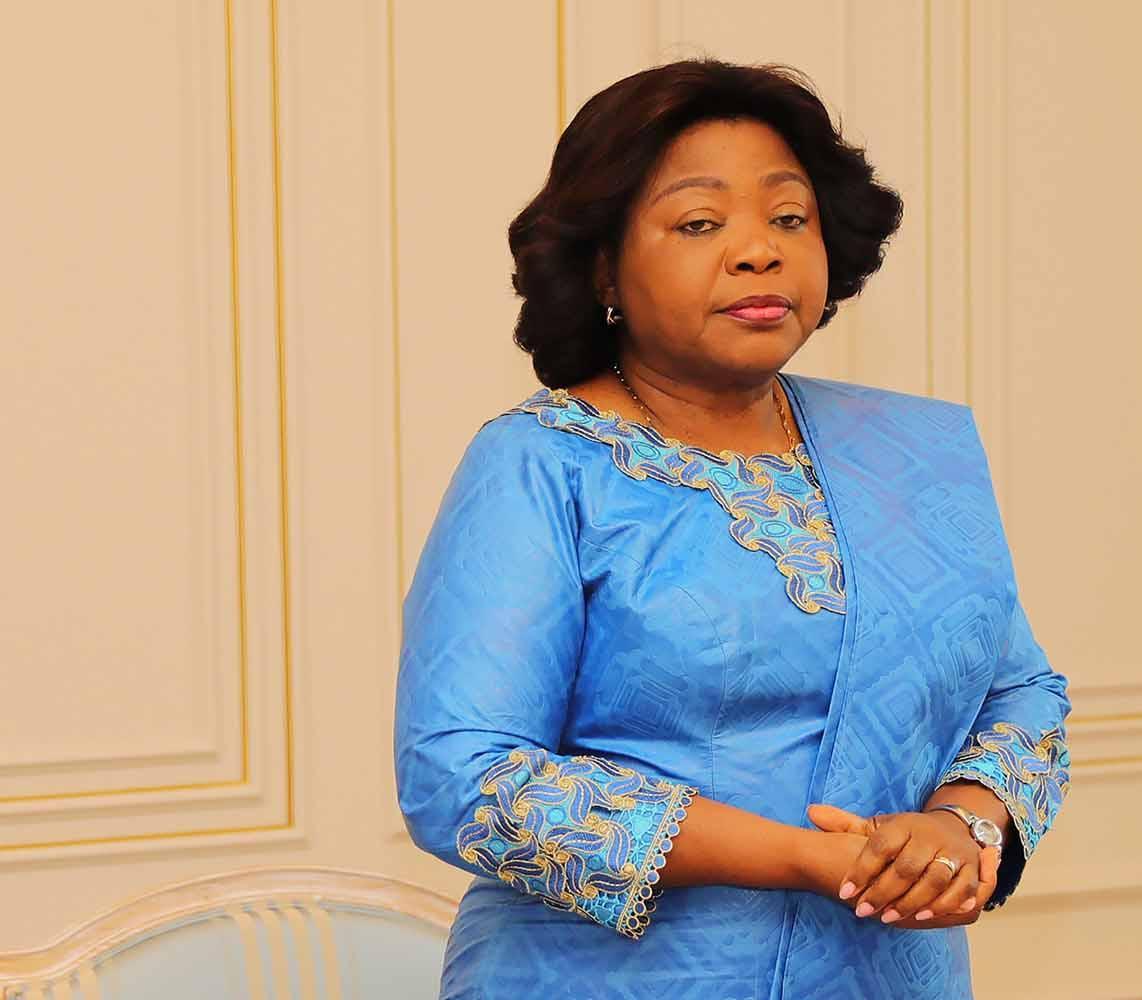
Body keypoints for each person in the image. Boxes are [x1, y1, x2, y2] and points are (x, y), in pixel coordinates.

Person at [393, 57, 1071, 999]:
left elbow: (1020, 690)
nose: (759, 251)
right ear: (604, 265)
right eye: (699, 223)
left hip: (886, 975)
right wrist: (802, 857)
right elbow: (463, 777)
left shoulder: (913, 452)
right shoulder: (542, 465)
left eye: (788, 218)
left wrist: (962, 825)